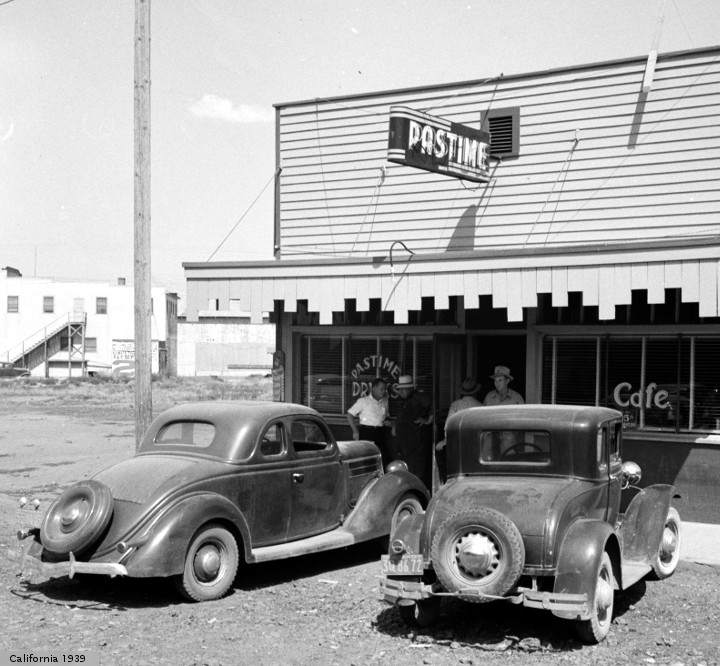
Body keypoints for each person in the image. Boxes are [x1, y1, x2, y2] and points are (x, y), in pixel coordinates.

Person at [392, 374, 433, 487]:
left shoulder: (420, 397)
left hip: (416, 441)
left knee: (416, 470)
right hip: (404, 442)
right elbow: (400, 416)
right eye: (400, 389)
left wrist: (427, 420)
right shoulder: (402, 400)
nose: (401, 392)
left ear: (410, 388)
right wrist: (395, 426)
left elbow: (433, 408)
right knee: (405, 468)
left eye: (404, 389)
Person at [346, 377, 392, 466]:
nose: (384, 391)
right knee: (367, 458)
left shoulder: (385, 402)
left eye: (385, 389)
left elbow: (386, 416)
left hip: (381, 432)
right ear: (374, 388)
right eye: (381, 389)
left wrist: (388, 422)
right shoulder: (363, 401)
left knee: (382, 458)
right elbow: (349, 415)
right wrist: (355, 431)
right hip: (367, 432)